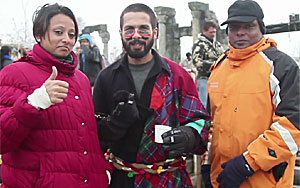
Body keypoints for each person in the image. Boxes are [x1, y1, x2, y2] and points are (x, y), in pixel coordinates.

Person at [93, 3, 210, 188]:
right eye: (129, 29)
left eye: (143, 29)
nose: (136, 35)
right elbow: (93, 133)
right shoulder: (106, 78)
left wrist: (189, 136)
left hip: (170, 180)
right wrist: (116, 124)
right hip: (122, 180)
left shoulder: (178, 75)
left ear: (155, 32)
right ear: (121, 33)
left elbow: (200, 121)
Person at [0, 3, 112, 187]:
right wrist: (33, 103)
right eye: (58, 32)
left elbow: (87, 139)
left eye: (71, 34)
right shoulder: (14, 74)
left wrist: (102, 171)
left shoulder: (81, 80)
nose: (66, 40)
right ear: (39, 34)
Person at [207, 0, 300, 187]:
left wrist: (248, 163)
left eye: (249, 26)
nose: (240, 32)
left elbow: (293, 126)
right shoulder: (218, 68)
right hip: (221, 178)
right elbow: (211, 123)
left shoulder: (281, 66)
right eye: (234, 27)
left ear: (261, 28)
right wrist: (206, 162)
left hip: (265, 180)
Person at [192, 21, 223, 109]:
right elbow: (196, 61)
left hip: (217, 78)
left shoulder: (217, 45)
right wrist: (214, 64)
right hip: (204, 78)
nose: (213, 34)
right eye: (211, 32)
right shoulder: (199, 44)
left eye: (214, 32)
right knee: (204, 103)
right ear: (204, 31)